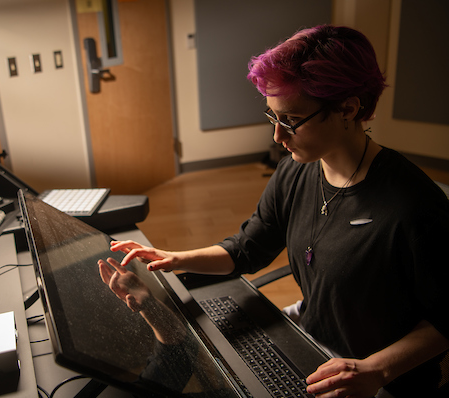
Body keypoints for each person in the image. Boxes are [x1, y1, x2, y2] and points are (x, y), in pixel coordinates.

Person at [103, 25, 449, 398]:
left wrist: (374, 371)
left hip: (376, 378)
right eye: (273, 117)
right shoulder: (295, 171)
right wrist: (174, 259)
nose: (277, 137)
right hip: (309, 339)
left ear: (348, 108)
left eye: (290, 120)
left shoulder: (414, 207)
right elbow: (247, 249)